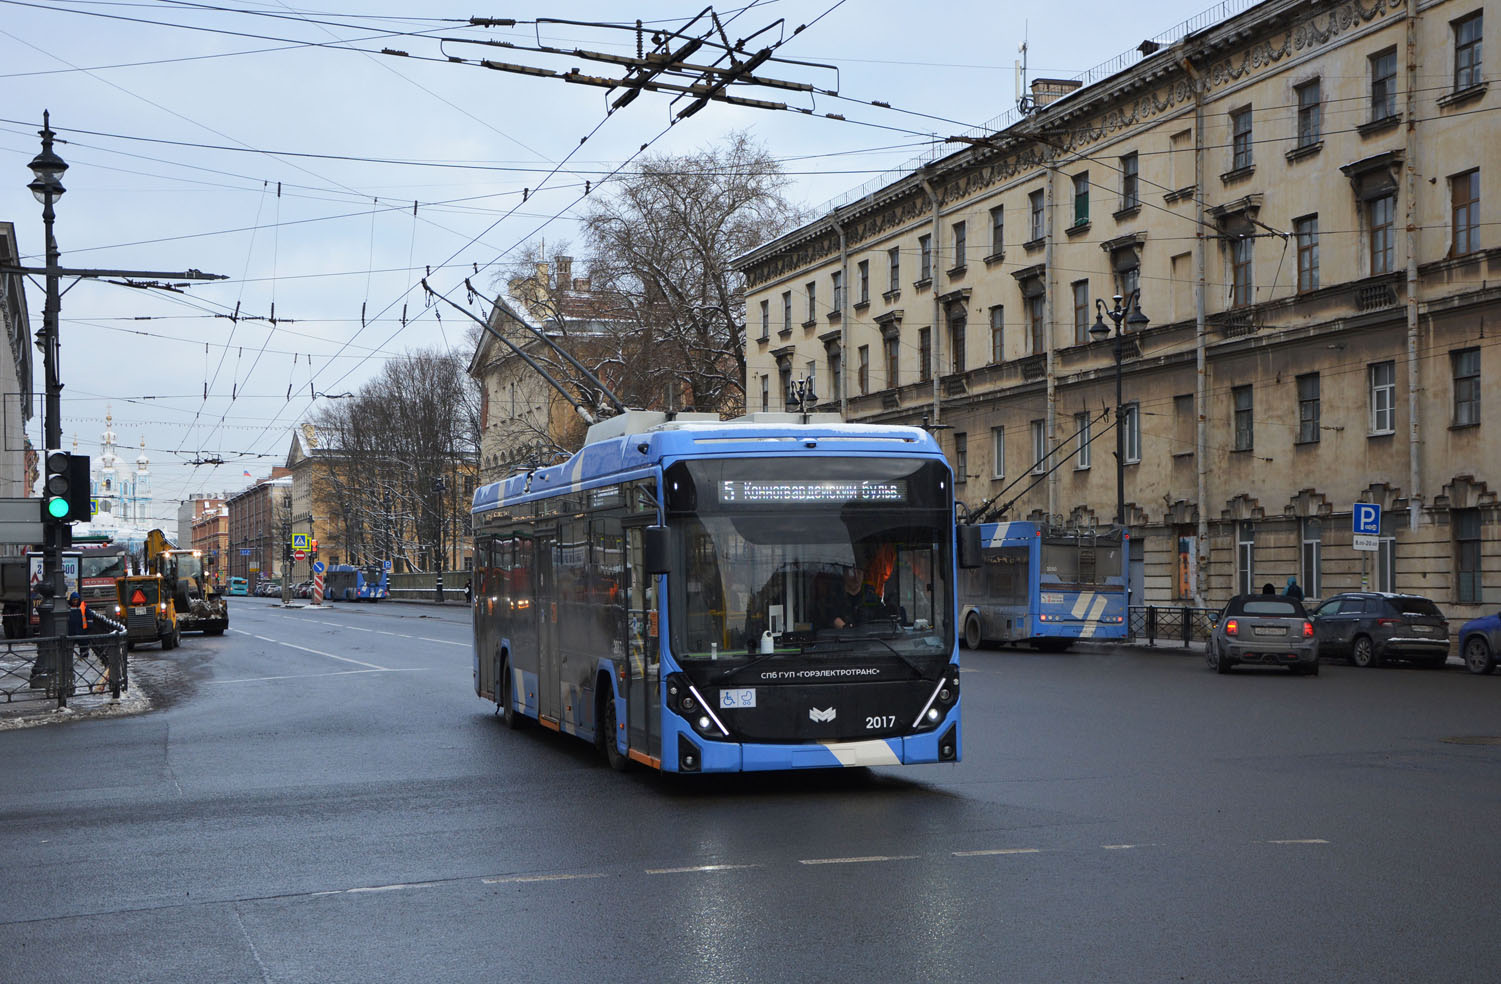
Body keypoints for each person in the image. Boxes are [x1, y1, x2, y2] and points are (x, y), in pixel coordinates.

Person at [825, 563, 892, 629]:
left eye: (859, 572)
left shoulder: (871, 598)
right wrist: (844, 627)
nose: (856, 577)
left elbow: (884, 622)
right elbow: (830, 619)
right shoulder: (834, 598)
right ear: (844, 573)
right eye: (852, 573)